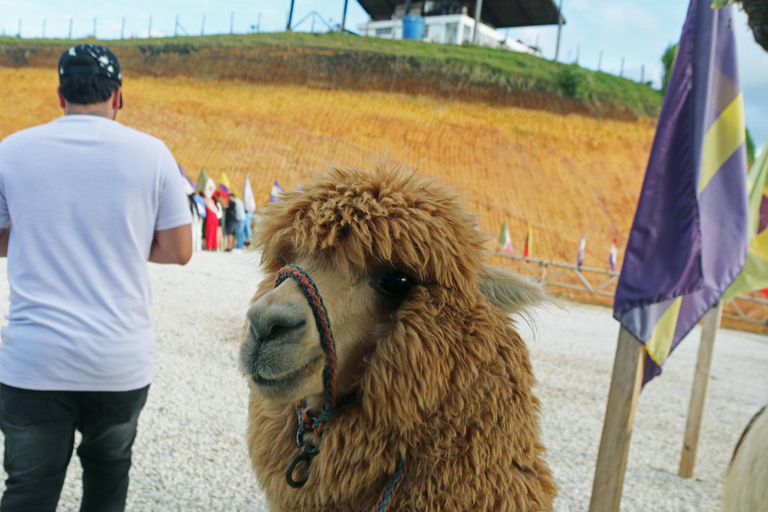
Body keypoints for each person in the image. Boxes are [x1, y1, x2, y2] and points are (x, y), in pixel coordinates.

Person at [0, 44, 192, 512]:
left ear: (60, 95)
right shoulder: (153, 153)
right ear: (118, 96)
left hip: (33, 362)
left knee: (27, 492)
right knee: (107, 481)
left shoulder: (11, 150)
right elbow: (179, 251)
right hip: (117, 361)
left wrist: (43, 236)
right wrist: (120, 241)